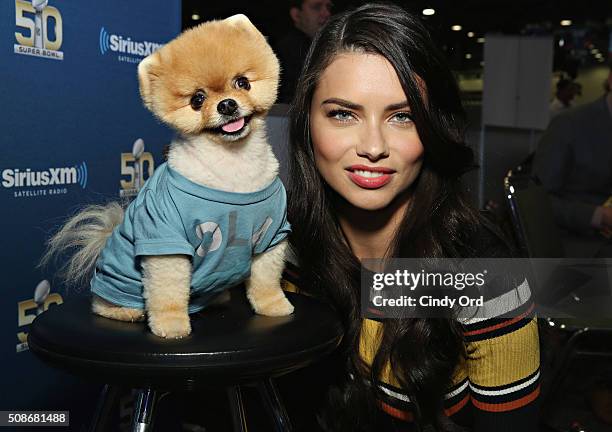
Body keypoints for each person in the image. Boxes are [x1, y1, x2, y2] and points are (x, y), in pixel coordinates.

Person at [281, 3, 540, 431]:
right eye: (343, 114)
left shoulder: (483, 273)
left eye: (403, 117)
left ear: (432, 127)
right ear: (307, 122)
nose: (373, 146)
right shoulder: (284, 246)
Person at [534, 64, 612, 257]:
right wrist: (598, 216)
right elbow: (539, 200)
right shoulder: (569, 125)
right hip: (583, 247)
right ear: (611, 80)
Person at [274, 0, 332, 103]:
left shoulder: (321, 46)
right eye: (316, 7)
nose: (326, 13)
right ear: (296, 15)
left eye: (328, 7)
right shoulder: (288, 51)